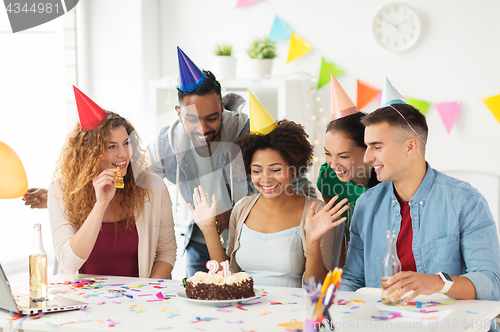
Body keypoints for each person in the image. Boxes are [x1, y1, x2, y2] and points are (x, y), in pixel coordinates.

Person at [148, 48, 316, 277]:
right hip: (200, 241)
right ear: (179, 113)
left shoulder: (248, 133)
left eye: (212, 118)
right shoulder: (165, 145)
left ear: (222, 108)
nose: (203, 129)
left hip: (249, 242)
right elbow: (141, 184)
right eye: (192, 119)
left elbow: (291, 176)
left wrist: (236, 210)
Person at [339, 102, 500, 305]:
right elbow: (352, 280)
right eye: (367, 146)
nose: (367, 157)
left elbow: (492, 283)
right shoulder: (366, 205)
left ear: (410, 146)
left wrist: (439, 283)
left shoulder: (466, 202)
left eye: (376, 147)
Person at [188, 119, 348, 287]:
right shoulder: (242, 208)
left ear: (293, 168)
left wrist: (313, 241)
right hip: (245, 308)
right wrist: (208, 229)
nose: (265, 179)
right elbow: (227, 276)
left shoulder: (315, 212)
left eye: (276, 170)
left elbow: (318, 286)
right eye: (257, 170)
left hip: (293, 310)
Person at [49, 87, 176, 279]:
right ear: (88, 152)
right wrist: (100, 205)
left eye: (126, 143)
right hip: (83, 303)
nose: (123, 154)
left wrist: (147, 294)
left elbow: (166, 252)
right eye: (111, 146)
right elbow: (68, 263)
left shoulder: (152, 187)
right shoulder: (61, 191)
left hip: (139, 302)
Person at [317, 76, 379, 268]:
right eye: (328, 154)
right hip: (345, 264)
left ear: (367, 150)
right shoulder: (328, 176)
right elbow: (336, 228)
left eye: (343, 156)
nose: (333, 163)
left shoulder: (387, 181)